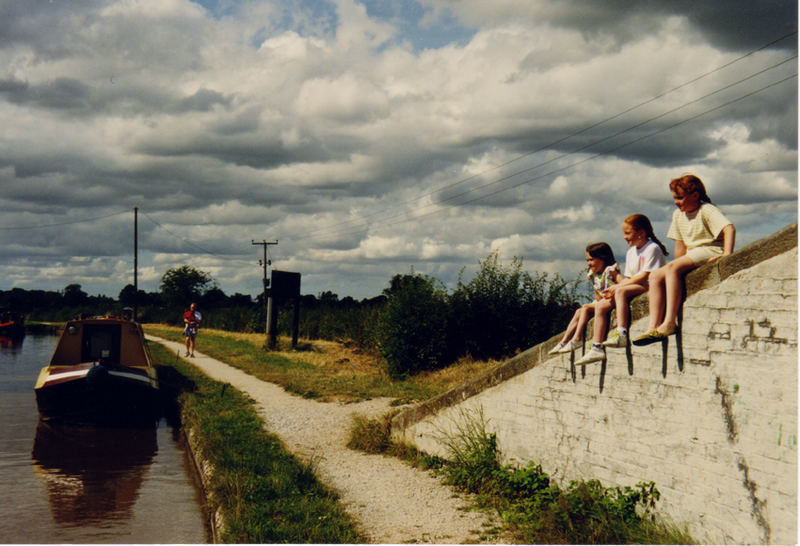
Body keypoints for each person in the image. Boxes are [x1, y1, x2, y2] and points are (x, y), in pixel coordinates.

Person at [632, 174, 735, 346]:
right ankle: (653, 326)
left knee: (671, 269)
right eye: (674, 198)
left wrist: (727, 254)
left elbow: (729, 228)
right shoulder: (678, 215)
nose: (676, 202)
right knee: (656, 275)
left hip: (709, 249)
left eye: (680, 198)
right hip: (693, 254)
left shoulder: (706, 209)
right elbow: (680, 246)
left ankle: (670, 322)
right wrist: (674, 269)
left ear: (695, 196)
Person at [600, 214, 668, 350]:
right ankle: (596, 346)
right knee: (600, 305)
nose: (624, 237)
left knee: (620, 291)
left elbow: (644, 276)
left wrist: (618, 287)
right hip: (634, 287)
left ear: (641, 233)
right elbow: (629, 279)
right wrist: (615, 278)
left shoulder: (652, 248)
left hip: (649, 287)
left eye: (627, 233)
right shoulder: (630, 252)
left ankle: (621, 333)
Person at [548, 242, 620, 359]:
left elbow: (622, 282)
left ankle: (577, 339)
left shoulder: (610, 271)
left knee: (585, 308)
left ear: (603, 258)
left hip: (611, 301)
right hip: (601, 302)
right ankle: (563, 342)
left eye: (591, 260)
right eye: (587, 260)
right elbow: (597, 295)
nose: (589, 263)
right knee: (579, 311)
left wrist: (615, 289)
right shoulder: (594, 275)